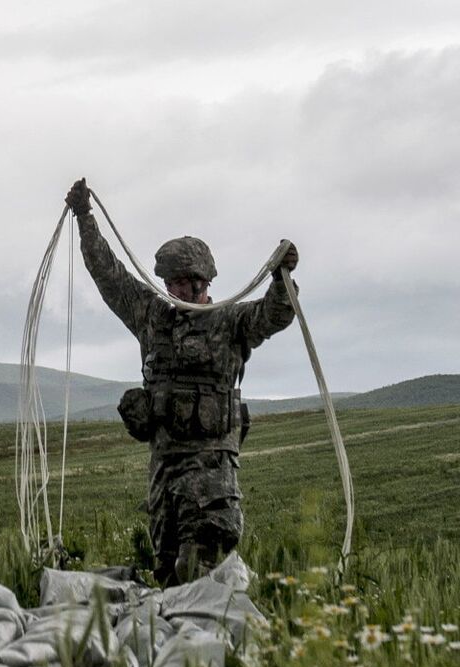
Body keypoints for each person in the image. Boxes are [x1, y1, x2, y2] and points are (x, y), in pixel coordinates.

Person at [63, 178, 299, 585]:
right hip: (165, 470)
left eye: (180, 282)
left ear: (201, 282)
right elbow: (109, 275)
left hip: (211, 474)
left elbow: (274, 315)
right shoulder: (153, 318)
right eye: (168, 282)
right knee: (168, 573)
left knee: (202, 571)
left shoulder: (231, 321)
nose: (172, 289)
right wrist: (85, 218)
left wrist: (281, 279)